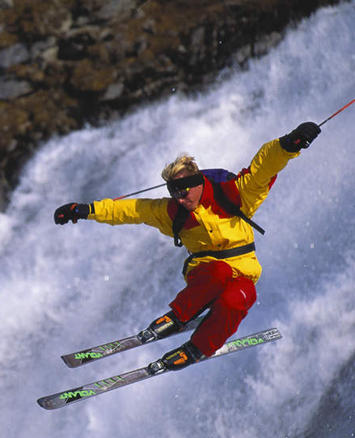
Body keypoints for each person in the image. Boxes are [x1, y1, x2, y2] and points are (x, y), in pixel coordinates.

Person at [53, 121, 321, 372]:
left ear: (197, 184)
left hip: (243, 272)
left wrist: (289, 143)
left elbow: (264, 166)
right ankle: (178, 316)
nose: (179, 200)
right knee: (219, 273)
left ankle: (196, 349)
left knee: (241, 296)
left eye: (183, 193)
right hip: (205, 273)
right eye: (174, 194)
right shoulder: (172, 213)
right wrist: (84, 210)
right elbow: (128, 209)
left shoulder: (233, 195)